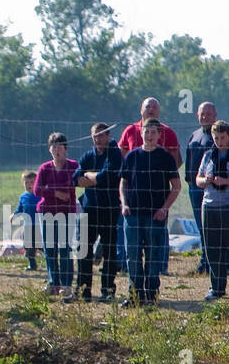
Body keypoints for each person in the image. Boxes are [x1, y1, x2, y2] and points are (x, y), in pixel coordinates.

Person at [119, 119, 181, 307]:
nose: (149, 135)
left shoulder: (165, 157)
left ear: (159, 134)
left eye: (153, 132)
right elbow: (123, 182)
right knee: (133, 256)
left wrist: (164, 208)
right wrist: (124, 204)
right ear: (141, 133)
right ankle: (135, 295)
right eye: (146, 132)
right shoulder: (132, 156)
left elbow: (176, 186)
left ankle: (152, 294)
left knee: (153, 256)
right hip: (133, 215)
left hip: (156, 216)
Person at [75, 122, 124, 302]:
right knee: (83, 249)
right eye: (95, 135)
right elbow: (75, 178)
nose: (98, 138)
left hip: (109, 209)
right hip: (89, 209)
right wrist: (95, 178)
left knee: (109, 251)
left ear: (108, 136)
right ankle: (83, 290)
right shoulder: (88, 155)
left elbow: (108, 176)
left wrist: (89, 176)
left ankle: (108, 290)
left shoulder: (115, 154)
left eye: (102, 135)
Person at [35, 132, 81, 300]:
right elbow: (37, 190)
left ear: (66, 148)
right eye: (53, 146)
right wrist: (55, 192)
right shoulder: (45, 168)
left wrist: (51, 190)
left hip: (66, 213)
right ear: (49, 149)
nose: (56, 150)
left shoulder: (73, 166)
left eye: (60, 146)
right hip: (46, 212)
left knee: (65, 248)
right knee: (50, 249)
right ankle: (54, 282)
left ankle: (67, 283)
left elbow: (72, 186)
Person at [196, 119, 229, 300]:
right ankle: (216, 287)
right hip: (210, 205)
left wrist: (226, 181)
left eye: (222, 137)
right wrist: (206, 181)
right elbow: (198, 178)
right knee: (213, 247)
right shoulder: (208, 155)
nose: (219, 141)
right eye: (216, 138)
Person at [185, 102, 218, 275]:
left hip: (210, 189)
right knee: (200, 226)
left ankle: (211, 262)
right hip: (193, 187)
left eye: (208, 114)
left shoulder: (217, 136)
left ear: (215, 115)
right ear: (197, 116)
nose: (205, 117)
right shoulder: (194, 136)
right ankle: (204, 260)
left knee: (210, 227)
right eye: (202, 114)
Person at [119, 97, 183, 166]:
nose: (151, 109)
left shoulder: (168, 132)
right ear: (141, 110)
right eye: (147, 106)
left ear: (158, 112)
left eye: (154, 107)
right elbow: (121, 158)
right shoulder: (130, 130)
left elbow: (176, 162)